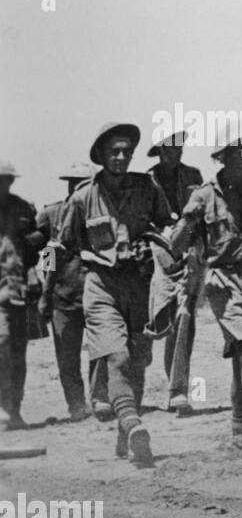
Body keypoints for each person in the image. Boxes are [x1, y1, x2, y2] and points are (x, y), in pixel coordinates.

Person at [166, 129, 242, 463]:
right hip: (222, 282)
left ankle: (239, 432)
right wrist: (187, 222)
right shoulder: (204, 195)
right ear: (226, 155)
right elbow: (174, 249)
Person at [56, 124, 173, 464]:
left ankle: (126, 430)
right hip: (101, 285)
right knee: (116, 358)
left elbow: (165, 222)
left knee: (137, 361)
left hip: (139, 286)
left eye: (126, 151)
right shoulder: (80, 198)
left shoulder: (146, 187)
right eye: (114, 152)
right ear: (102, 157)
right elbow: (60, 245)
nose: (121, 157)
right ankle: (133, 422)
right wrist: (46, 285)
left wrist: (153, 243)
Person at [35, 162, 109, 421]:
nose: (74, 187)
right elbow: (46, 253)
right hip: (63, 297)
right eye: (71, 181)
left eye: (81, 183)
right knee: (67, 357)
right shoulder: (51, 214)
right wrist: (45, 292)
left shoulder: (101, 212)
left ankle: (100, 399)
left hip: (97, 294)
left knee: (101, 351)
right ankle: (76, 405)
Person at [145, 130, 205, 414]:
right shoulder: (146, 182)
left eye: (179, 147)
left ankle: (177, 390)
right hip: (155, 256)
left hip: (190, 252)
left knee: (184, 317)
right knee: (156, 322)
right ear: (159, 151)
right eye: (170, 148)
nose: (176, 152)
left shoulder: (193, 175)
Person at [0, 159, 41, 431]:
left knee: (18, 355)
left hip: (19, 293)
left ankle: (15, 410)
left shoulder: (25, 209)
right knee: (1, 345)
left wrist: (42, 273)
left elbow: (44, 247)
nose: (4, 185)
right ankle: (3, 407)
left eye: (7, 180)